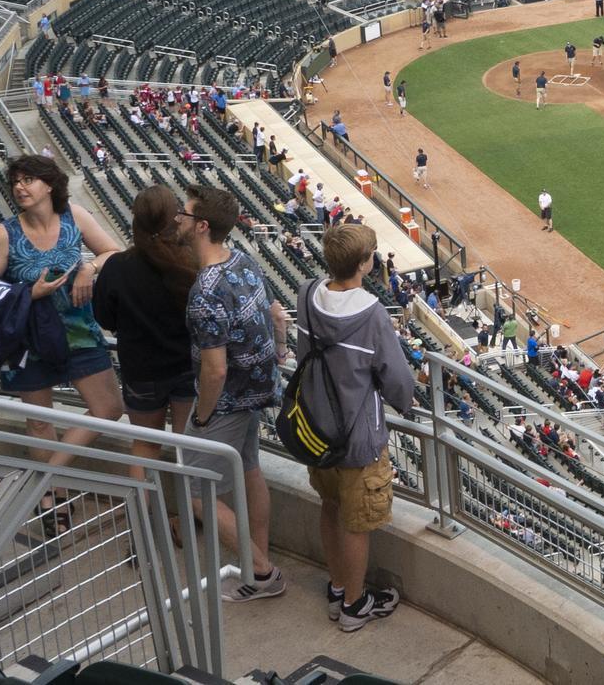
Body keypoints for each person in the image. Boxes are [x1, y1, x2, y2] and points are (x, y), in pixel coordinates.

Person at [0, 155, 124, 527]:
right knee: (40, 422)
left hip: (77, 329)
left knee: (108, 407)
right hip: (29, 337)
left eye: (29, 180)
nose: (20, 187)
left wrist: (89, 267)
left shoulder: (75, 215)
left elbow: (115, 251)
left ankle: (40, 479)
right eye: (16, 182)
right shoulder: (4, 233)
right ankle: (52, 498)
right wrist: (32, 292)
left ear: (50, 185)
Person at [298, 224, 417, 630]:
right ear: (365, 263)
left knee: (330, 507)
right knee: (356, 522)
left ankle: (337, 586)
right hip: (357, 439)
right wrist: (405, 404)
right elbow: (399, 381)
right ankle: (353, 604)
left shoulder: (307, 293)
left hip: (316, 429)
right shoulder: (372, 313)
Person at [184, 184, 289, 603]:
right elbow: (276, 316)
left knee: (193, 493)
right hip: (258, 391)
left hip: (225, 401)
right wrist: (280, 350)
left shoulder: (204, 292)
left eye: (184, 214)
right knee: (249, 470)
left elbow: (215, 369)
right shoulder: (242, 260)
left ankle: (262, 572)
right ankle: (254, 565)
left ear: (202, 226)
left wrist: (204, 416)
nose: (178, 219)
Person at [92, 184, 201, 481]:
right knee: (186, 449)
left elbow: (104, 317)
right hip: (186, 368)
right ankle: (191, 516)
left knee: (144, 445)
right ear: (175, 218)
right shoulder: (193, 263)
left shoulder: (117, 267)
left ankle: (144, 521)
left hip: (141, 371)